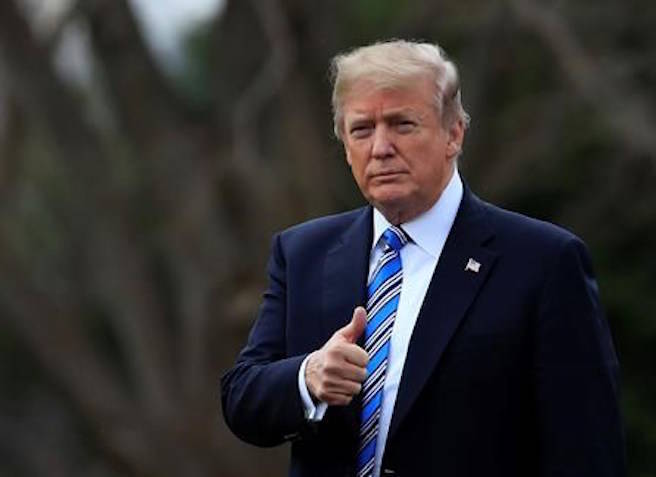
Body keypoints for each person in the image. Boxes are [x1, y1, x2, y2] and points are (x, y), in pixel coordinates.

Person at [221, 39, 624, 477]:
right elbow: (242, 397)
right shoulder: (303, 253)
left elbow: (586, 447)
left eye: (402, 124)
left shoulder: (543, 261)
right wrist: (308, 377)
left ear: (454, 134)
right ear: (345, 145)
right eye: (362, 130)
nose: (381, 148)